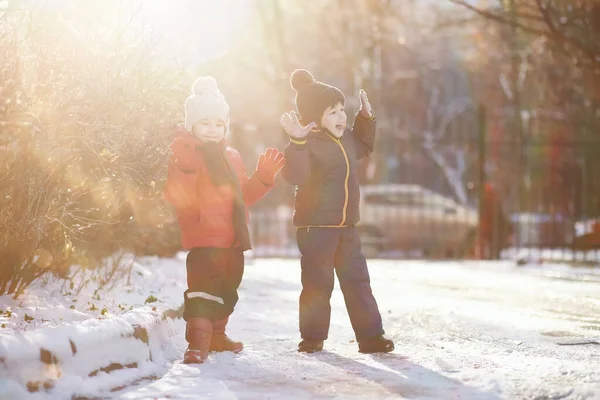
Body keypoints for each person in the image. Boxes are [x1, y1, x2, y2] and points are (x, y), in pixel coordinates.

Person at [163, 76, 285, 363]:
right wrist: (186, 165)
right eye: (204, 123)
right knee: (202, 292)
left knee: (227, 289)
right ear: (191, 125)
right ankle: (197, 344)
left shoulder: (232, 156)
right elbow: (178, 195)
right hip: (205, 239)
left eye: (218, 124)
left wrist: (263, 178)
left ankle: (217, 337)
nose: (212, 130)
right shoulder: (186, 155)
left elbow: (243, 197)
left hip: (232, 239)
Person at [279, 69, 394, 354]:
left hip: (346, 227)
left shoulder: (345, 140)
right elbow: (295, 174)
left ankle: (370, 338)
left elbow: (365, 145)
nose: (341, 116)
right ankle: (313, 337)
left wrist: (365, 118)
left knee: (358, 282)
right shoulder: (308, 145)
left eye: (342, 109)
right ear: (314, 117)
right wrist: (296, 142)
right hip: (316, 229)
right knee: (318, 286)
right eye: (332, 112)